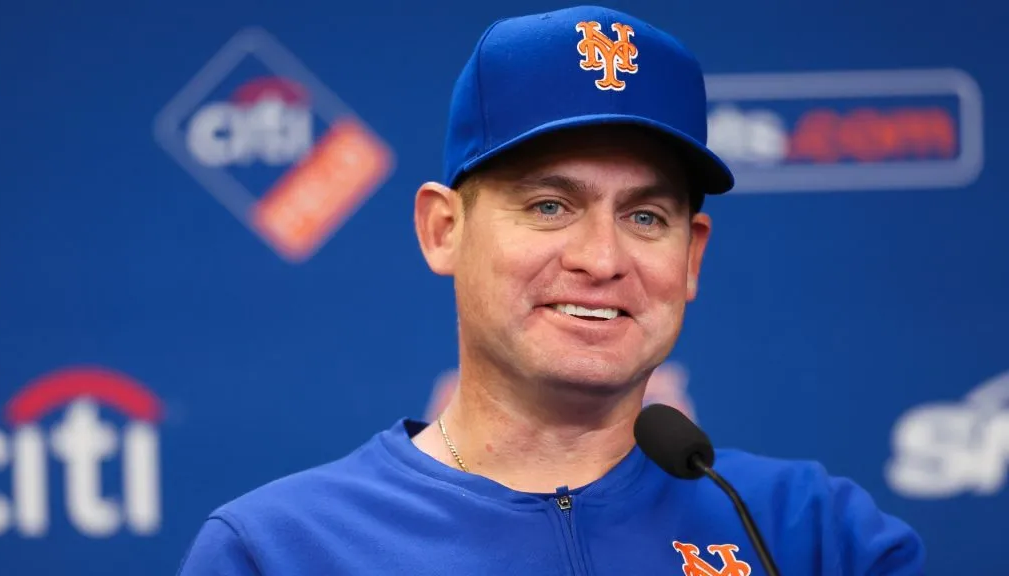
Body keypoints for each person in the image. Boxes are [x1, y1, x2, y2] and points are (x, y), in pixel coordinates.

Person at [176, 5, 925, 575]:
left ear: (692, 257)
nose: (602, 259)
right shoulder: (281, 550)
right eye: (549, 206)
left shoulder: (813, 532)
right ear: (443, 230)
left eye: (644, 215)